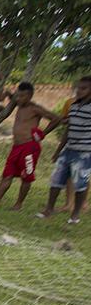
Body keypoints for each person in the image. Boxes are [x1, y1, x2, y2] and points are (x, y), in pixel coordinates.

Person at [0, 82, 62, 210]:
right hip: (16, 147)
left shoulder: (34, 108)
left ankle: (19, 204)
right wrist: (5, 88)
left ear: (30, 96)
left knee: (26, 177)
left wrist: (43, 133)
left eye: (23, 96)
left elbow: (56, 119)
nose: (19, 99)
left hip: (30, 147)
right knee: (7, 175)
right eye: (18, 96)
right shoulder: (18, 104)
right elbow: (11, 96)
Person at [37, 75, 91, 224]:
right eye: (78, 88)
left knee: (80, 183)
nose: (79, 91)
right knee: (56, 180)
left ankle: (75, 214)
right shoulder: (73, 106)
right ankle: (49, 209)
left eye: (83, 88)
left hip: (84, 152)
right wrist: (58, 151)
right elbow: (68, 130)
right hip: (68, 149)